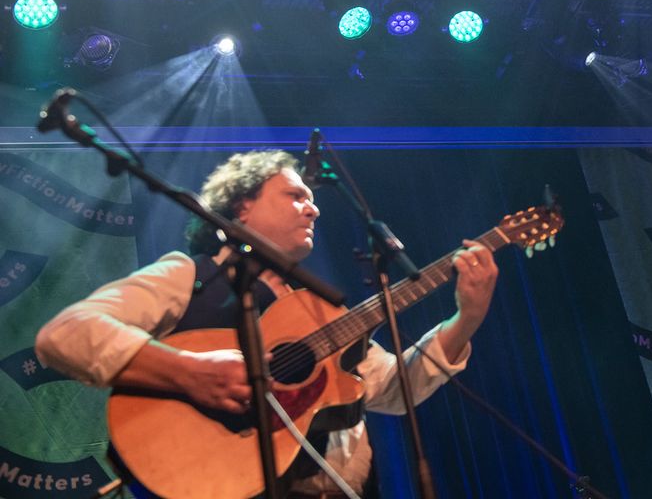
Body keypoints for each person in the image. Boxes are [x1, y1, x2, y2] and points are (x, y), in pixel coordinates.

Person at [36, 149, 498, 497]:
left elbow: (393, 390)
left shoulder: (319, 308)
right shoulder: (189, 275)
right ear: (242, 206)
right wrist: (190, 372)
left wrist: (466, 318)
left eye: (312, 200)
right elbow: (67, 333)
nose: (313, 209)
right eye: (296, 196)